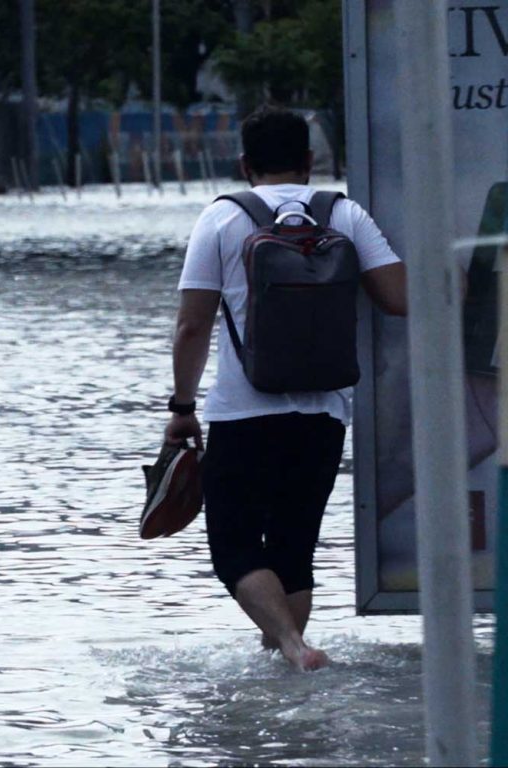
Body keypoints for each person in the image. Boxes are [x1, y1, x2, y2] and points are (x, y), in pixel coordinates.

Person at [165, 107, 407, 672]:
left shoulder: (222, 219)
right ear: (309, 161)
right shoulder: (344, 214)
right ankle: (288, 656)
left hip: (244, 412)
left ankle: (293, 647)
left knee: (233, 545)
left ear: (244, 164)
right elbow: (399, 299)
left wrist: (181, 408)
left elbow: (192, 325)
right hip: (322, 412)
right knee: (294, 550)